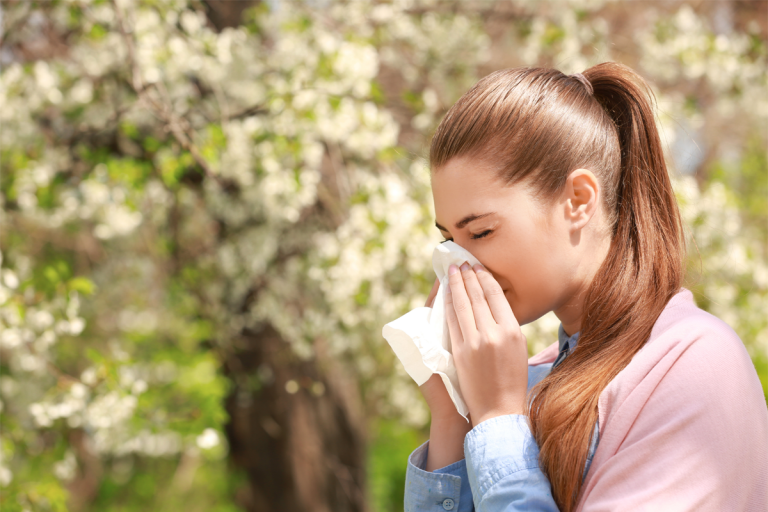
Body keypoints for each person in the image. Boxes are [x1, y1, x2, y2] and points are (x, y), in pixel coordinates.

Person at [403, 62, 768, 512]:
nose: (458, 265)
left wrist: (498, 418)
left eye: (479, 233)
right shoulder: (532, 381)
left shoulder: (690, 364)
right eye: (448, 240)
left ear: (578, 201)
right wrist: (453, 414)